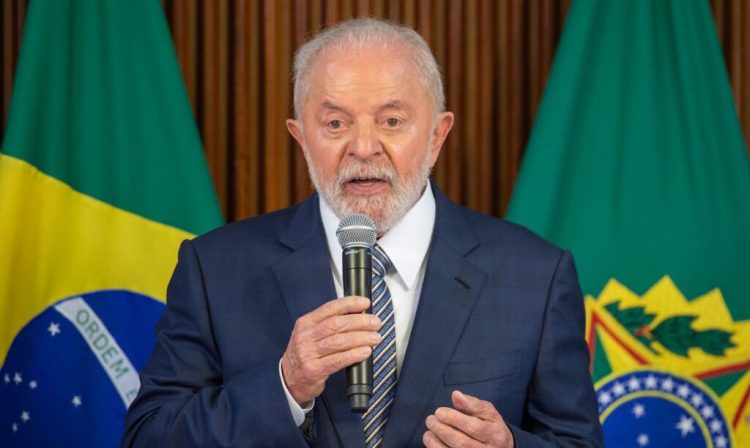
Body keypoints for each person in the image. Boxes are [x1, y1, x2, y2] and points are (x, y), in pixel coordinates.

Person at [122, 18, 603, 447]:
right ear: (301, 136)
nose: (364, 146)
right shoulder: (214, 268)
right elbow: (149, 436)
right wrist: (284, 385)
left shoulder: (537, 276)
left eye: (392, 121)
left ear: (438, 135)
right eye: (335, 123)